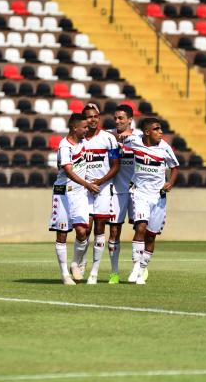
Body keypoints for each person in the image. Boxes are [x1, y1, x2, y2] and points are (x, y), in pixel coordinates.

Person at [125, 117, 178, 285]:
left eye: (160, 129)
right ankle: (135, 267)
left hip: (158, 196)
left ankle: (141, 271)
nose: (160, 132)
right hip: (139, 193)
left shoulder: (165, 148)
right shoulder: (134, 141)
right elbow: (118, 136)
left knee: (151, 236)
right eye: (156, 129)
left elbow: (174, 167)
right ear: (147, 132)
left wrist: (170, 182)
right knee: (140, 226)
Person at [49, 113, 100, 285]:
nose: (87, 130)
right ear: (74, 128)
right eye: (84, 127)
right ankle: (64, 275)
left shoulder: (83, 142)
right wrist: (87, 184)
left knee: (83, 231)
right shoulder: (65, 147)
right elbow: (69, 171)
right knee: (62, 233)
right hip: (63, 192)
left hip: (79, 194)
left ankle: (74, 263)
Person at [79, 104, 120, 284]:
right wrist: (86, 184)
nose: (93, 119)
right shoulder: (79, 140)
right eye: (89, 117)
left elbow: (115, 166)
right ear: (84, 120)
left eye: (96, 116)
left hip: (103, 189)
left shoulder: (108, 139)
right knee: (83, 230)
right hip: (84, 189)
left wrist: (100, 182)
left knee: (99, 229)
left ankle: (94, 272)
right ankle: (80, 262)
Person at [105, 104, 142, 284]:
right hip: (116, 190)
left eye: (121, 118)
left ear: (130, 120)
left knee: (140, 230)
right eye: (115, 118)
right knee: (113, 231)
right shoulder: (108, 135)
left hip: (137, 190)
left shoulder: (141, 136)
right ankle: (114, 272)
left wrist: (128, 139)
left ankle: (139, 268)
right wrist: (115, 136)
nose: (117, 121)